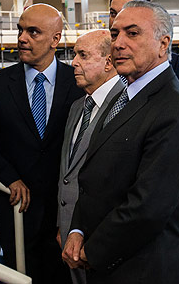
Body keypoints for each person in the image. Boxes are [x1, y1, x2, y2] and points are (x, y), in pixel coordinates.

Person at [62, 0, 179, 283]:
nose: (118, 43)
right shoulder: (121, 95)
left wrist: (93, 249)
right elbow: (93, 176)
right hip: (111, 262)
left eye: (133, 33)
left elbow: (149, 207)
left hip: (145, 269)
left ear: (163, 45)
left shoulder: (174, 109)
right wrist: (77, 229)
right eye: (115, 34)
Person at [0, 3, 84, 283]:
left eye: (33, 32)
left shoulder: (79, 85)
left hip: (64, 212)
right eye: (20, 30)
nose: (22, 38)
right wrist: (9, 177)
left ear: (55, 39)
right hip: (15, 208)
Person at [56, 30, 124, 284]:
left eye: (83, 55)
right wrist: (64, 224)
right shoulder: (78, 107)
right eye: (75, 54)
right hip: (71, 232)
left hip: (100, 237)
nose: (73, 62)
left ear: (108, 62)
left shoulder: (125, 106)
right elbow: (67, 172)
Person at [109, 0, 179, 89]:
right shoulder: (90, 59)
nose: (119, 19)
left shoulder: (169, 62)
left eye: (127, 12)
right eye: (113, 13)